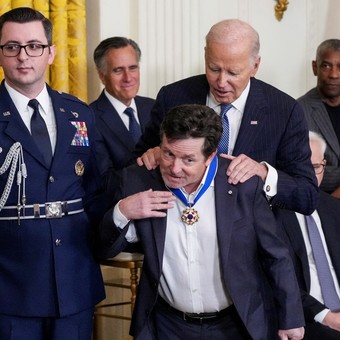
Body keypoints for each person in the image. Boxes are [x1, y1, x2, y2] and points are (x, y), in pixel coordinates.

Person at [97, 104, 305, 340]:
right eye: (168, 153)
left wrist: (291, 318)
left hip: (235, 323)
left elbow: (275, 255)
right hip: (167, 325)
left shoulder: (242, 184)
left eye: (188, 160)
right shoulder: (138, 180)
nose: (175, 168)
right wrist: (122, 211)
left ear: (210, 156)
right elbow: (104, 248)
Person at [133, 18, 319, 215]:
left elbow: (306, 196)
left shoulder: (284, 110)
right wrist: (151, 156)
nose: (221, 82)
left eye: (233, 72)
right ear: (205, 55)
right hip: (178, 225)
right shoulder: (172, 97)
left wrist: (264, 174)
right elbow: (135, 164)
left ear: (255, 66)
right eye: (214, 69)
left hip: (251, 236)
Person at [0, 7, 104, 340]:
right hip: (9, 285)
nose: (23, 56)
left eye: (34, 46)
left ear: (51, 52)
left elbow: (97, 189)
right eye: (11, 47)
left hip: (73, 280)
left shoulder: (78, 112)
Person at [277, 131, 340, 339]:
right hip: (307, 319)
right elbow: (278, 279)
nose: (310, 176)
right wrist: (325, 316)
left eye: (315, 167)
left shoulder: (333, 207)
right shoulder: (272, 213)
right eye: (302, 167)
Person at [90, 36, 155, 174]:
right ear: (102, 76)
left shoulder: (154, 107)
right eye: (118, 70)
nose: (128, 78)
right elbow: (104, 180)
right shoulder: (90, 118)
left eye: (133, 68)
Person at [297, 39, 340, 198]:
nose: (334, 74)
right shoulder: (298, 111)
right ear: (315, 68)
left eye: (339, 67)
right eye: (326, 66)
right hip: (319, 203)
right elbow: (304, 168)